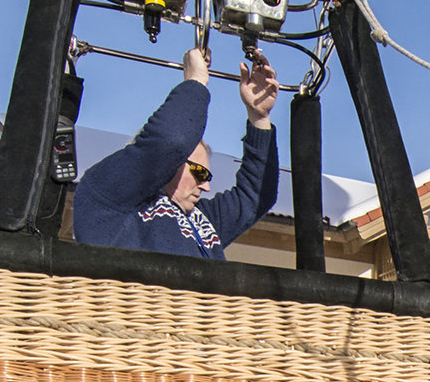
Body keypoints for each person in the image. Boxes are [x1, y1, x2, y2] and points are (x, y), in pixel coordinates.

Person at [73, 46, 282, 258]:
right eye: (200, 173)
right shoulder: (110, 198)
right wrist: (196, 81)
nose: (206, 186)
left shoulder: (202, 217)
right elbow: (171, 142)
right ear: (171, 163)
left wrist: (259, 118)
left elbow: (256, 195)